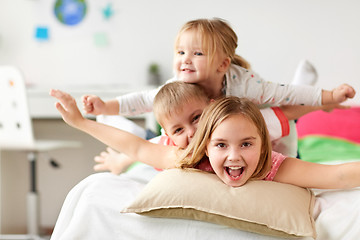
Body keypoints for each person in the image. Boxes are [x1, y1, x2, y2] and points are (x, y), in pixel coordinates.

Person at [82, 18, 355, 159]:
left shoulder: (245, 84)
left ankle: (310, 89)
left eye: (197, 53)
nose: (185, 59)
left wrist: (328, 96)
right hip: (212, 133)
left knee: (280, 123)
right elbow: (145, 99)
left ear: (223, 64)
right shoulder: (177, 86)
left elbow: (287, 95)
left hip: (257, 121)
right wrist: (107, 106)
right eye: (180, 52)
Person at [50, 88, 360, 190]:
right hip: (161, 143)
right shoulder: (188, 155)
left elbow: (337, 174)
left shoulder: (270, 165)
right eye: (222, 145)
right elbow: (136, 146)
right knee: (140, 148)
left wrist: (326, 98)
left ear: (263, 145)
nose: (235, 156)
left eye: (247, 144)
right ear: (207, 145)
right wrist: (81, 122)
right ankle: (118, 158)